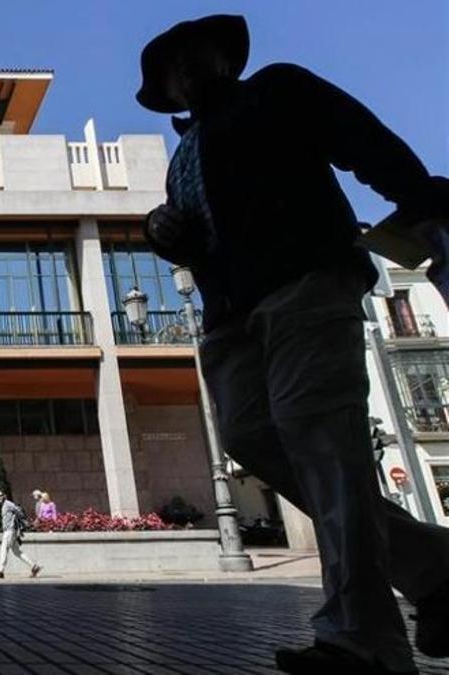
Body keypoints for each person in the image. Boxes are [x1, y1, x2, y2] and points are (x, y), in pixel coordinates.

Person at [136, 14, 449, 673]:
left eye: (197, 54)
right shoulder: (184, 155)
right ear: (167, 89)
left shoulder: (276, 90)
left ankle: (363, 641)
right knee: (250, 435)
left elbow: (363, 139)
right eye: (171, 67)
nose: (185, 68)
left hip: (305, 284)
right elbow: (198, 238)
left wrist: (421, 201)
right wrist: (164, 230)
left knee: (326, 447)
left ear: (227, 59)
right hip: (232, 319)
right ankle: (434, 566)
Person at [0, 491, 41, 579]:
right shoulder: (4, 505)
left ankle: (0, 571)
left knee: (3, 550)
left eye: (0, 496)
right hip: (10, 531)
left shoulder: (8, 504)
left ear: (4, 496)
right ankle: (34, 566)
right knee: (17, 552)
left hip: (9, 531)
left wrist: (20, 522)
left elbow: (19, 510)